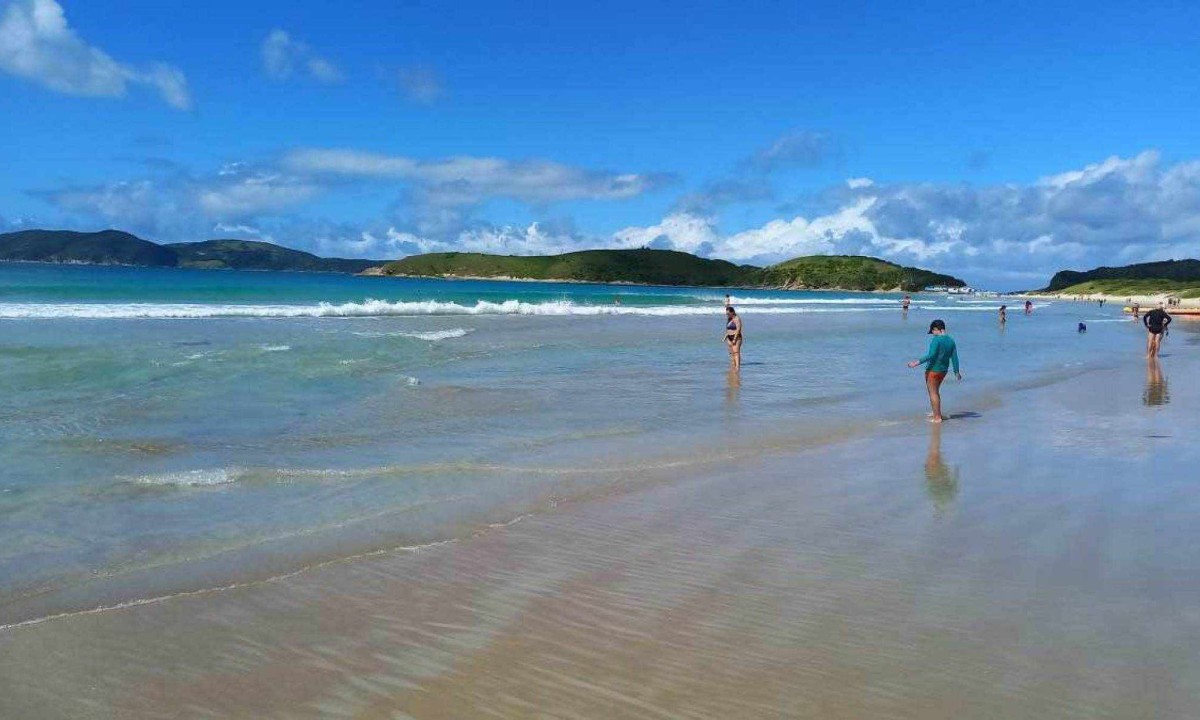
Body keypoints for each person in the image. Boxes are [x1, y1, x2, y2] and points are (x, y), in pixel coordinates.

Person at [907, 319, 961, 423]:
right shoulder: (951, 340)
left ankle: (937, 417)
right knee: (935, 392)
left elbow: (931, 355)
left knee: (933, 393)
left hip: (933, 370)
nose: (933, 334)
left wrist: (916, 362)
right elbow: (954, 357)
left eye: (933, 331)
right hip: (943, 370)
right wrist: (956, 371)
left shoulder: (936, 340)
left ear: (937, 329)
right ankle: (936, 412)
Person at [724, 305, 743, 371]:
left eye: (728, 313)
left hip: (736, 337)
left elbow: (738, 329)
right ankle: (733, 365)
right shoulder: (729, 319)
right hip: (729, 337)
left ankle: (737, 367)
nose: (727, 315)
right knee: (731, 353)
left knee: (736, 352)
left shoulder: (737, 318)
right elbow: (728, 329)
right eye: (726, 314)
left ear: (732, 312)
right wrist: (725, 337)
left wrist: (734, 339)